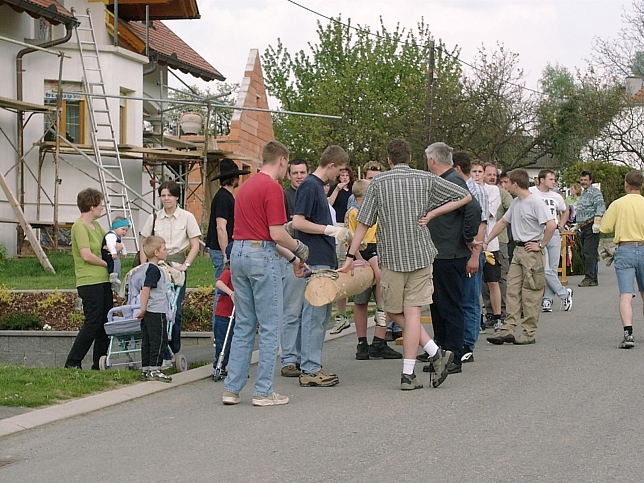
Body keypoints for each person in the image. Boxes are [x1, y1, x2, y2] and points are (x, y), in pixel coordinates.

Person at [340, 139, 472, 391]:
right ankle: (421, 363)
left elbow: (364, 222)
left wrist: (349, 256)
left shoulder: (378, 183)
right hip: (421, 256)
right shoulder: (425, 179)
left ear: (389, 160)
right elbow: (464, 196)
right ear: (411, 158)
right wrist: (433, 213)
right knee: (412, 313)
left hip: (391, 258)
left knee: (393, 311)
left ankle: (420, 365)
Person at [223, 140, 309, 407]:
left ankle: (232, 389)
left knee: (245, 325)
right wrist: (300, 248)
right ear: (282, 160)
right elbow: (275, 234)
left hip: (238, 253)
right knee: (272, 325)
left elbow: (256, 235)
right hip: (262, 258)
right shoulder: (272, 188)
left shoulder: (246, 186)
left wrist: (292, 258)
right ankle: (262, 391)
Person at [292, 145, 350, 387]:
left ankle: (311, 363)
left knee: (321, 316)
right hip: (314, 257)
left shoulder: (315, 187)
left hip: (323, 257)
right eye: (339, 170)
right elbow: (298, 222)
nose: (340, 176)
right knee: (314, 315)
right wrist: (328, 229)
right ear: (330, 165)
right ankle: (309, 368)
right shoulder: (310, 186)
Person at [424, 143, 481, 374]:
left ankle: (454, 355)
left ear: (432, 160)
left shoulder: (452, 180)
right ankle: (441, 352)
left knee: (450, 306)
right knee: (438, 306)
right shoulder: (444, 179)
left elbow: (473, 208)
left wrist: (467, 236)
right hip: (439, 252)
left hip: (450, 253)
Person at [486, 169, 556, 346]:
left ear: (515, 184)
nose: (505, 186)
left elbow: (551, 224)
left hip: (531, 250)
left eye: (507, 183)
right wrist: (486, 241)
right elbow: (503, 223)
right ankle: (508, 327)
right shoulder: (517, 202)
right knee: (512, 289)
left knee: (531, 291)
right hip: (517, 250)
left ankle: (528, 331)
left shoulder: (535, 202)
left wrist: (541, 244)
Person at [139, 180, 201, 369]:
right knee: (158, 310)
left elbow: (195, 244)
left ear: (176, 197)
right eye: (163, 195)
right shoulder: (154, 217)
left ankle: (174, 349)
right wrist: (145, 267)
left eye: (169, 195)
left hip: (176, 266)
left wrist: (186, 265)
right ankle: (163, 353)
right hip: (157, 264)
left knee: (175, 310)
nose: (166, 199)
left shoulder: (187, 217)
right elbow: (144, 243)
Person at [346, 179, 401, 360]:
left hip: (376, 247)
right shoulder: (354, 212)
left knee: (381, 279)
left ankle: (379, 341)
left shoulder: (378, 210)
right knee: (360, 300)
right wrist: (358, 258)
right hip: (361, 249)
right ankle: (362, 343)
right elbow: (352, 237)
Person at [205, 158, 250, 367]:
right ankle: (220, 337)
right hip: (222, 249)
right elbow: (221, 227)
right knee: (222, 290)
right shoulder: (223, 198)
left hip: (225, 247)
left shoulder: (226, 196)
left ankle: (224, 338)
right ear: (232, 178)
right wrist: (226, 254)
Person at [64, 188, 112, 370]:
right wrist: (105, 264)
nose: (102, 207)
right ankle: (73, 362)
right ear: (92, 206)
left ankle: (99, 363)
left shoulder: (97, 226)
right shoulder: (79, 226)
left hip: (103, 280)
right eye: (100, 204)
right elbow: (86, 255)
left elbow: (105, 244)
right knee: (92, 322)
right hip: (88, 280)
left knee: (105, 323)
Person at [600, 171, 644, 349]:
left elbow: (605, 227)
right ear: (641, 185)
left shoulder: (618, 204)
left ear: (626, 184)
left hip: (625, 248)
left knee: (626, 294)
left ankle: (628, 333)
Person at [452, 151, 488, 363]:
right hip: (454, 251)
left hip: (471, 251)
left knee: (469, 299)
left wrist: (475, 256)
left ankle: (468, 344)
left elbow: (481, 225)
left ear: (457, 169)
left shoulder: (476, 190)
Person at [529, 169, 573, 313]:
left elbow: (565, 210)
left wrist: (560, 225)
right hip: (538, 232)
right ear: (542, 180)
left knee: (553, 268)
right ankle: (564, 294)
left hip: (553, 232)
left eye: (554, 179)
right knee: (545, 268)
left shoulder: (556, 196)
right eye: (551, 179)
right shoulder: (532, 192)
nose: (553, 182)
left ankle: (547, 300)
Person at [280, 159, 309, 378]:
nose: (299, 176)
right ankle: (289, 359)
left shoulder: (312, 193)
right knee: (291, 311)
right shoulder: (283, 196)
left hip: (311, 258)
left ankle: (303, 357)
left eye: (302, 172)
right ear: (289, 175)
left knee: (308, 312)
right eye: (295, 173)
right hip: (289, 257)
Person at [135, 235, 172, 383]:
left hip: (151, 311)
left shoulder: (147, 269)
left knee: (148, 340)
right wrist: (143, 309)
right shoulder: (154, 270)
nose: (166, 251)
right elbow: (146, 289)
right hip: (155, 311)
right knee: (158, 340)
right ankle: (155, 369)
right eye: (164, 248)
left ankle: (146, 368)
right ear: (156, 252)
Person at [327, 166, 355, 333]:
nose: (344, 177)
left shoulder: (353, 191)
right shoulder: (333, 189)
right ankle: (340, 315)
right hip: (335, 227)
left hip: (349, 227)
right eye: (341, 175)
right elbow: (329, 204)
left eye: (346, 175)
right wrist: (336, 190)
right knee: (338, 262)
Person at [576, 170, 606, 287]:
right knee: (585, 253)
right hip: (583, 227)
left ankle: (590, 278)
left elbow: (600, 207)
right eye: (582, 180)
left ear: (590, 181)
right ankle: (592, 277)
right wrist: (578, 225)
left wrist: (597, 222)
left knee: (589, 253)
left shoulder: (595, 193)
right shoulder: (584, 193)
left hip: (591, 226)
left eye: (585, 180)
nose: (583, 182)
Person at [213, 243, 235, 377]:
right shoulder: (228, 273)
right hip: (223, 314)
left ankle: (233, 366)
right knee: (223, 341)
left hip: (237, 315)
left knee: (234, 341)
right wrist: (231, 293)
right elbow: (219, 283)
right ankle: (219, 364)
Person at [101, 216, 129, 292]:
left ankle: (116, 278)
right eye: (123, 229)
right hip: (109, 255)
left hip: (114, 255)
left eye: (126, 230)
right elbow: (110, 244)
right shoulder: (111, 235)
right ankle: (113, 277)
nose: (124, 232)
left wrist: (124, 251)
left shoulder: (118, 236)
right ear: (115, 228)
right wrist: (113, 252)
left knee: (117, 265)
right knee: (113, 265)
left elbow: (121, 244)